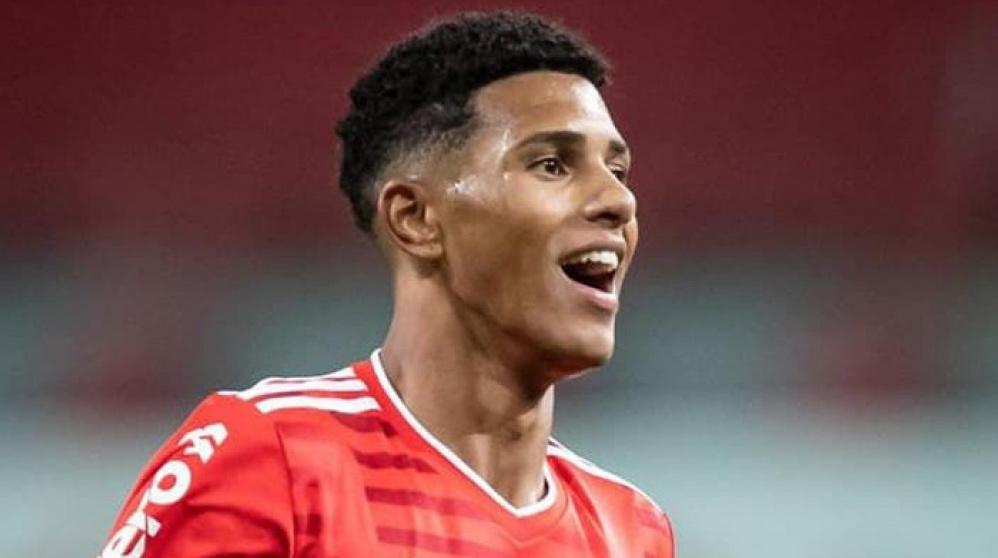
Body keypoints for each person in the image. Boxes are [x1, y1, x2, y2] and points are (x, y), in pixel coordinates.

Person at [99, 11, 673, 558]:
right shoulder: (273, 458)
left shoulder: (630, 530)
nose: (619, 201)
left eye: (617, 171)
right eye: (551, 165)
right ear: (415, 218)